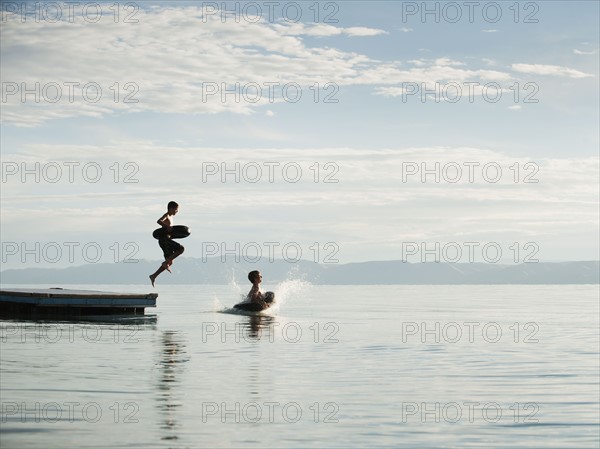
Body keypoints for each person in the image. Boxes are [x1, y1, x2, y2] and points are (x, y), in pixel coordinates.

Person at [149, 201, 184, 287]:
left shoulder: (171, 217)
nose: (177, 211)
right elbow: (159, 221)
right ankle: (166, 263)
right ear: (171, 209)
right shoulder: (167, 215)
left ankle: (153, 276)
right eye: (176, 210)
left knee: (170, 262)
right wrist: (167, 226)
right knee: (181, 249)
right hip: (164, 239)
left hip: (166, 240)